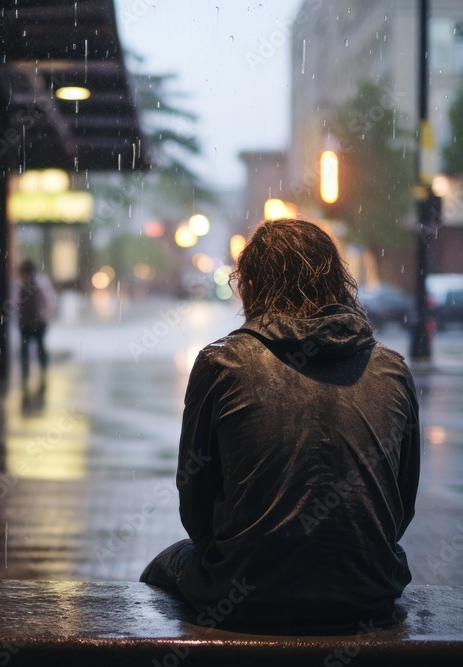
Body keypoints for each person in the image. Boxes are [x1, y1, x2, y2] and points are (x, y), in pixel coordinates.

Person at [140, 218, 420, 633]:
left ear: (250, 285)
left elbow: (196, 509)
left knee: (162, 566)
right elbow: (401, 506)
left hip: (243, 594)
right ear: (337, 284)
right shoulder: (392, 368)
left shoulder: (222, 364)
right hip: (369, 591)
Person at [16, 260, 55, 395]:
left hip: (32, 323)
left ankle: (31, 374)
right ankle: (37, 373)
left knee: (31, 349)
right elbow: (48, 302)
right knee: (38, 348)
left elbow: (46, 302)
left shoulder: (32, 284)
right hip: (35, 322)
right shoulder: (38, 283)